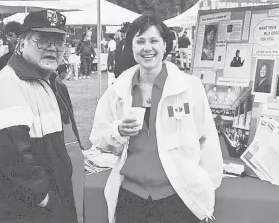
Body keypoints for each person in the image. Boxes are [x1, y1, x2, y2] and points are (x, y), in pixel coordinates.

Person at [89, 12, 223, 223]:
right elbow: (99, 138)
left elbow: (207, 138)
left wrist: (207, 184)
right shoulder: (119, 89)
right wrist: (118, 132)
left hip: (177, 195)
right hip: (132, 196)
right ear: (131, 46)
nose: (147, 48)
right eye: (140, 41)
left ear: (165, 45)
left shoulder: (188, 87)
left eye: (154, 41)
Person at [0, 9, 83, 223]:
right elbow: (13, 157)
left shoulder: (52, 83)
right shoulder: (7, 84)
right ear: (21, 44)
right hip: (26, 212)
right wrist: (46, 200)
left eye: (58, 41)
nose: (52, 48)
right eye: (42, 40)